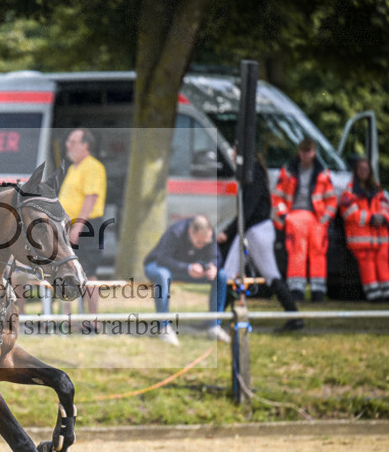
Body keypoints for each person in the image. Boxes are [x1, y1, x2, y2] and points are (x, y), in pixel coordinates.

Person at [218, 151, 304, 331]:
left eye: (236, 149)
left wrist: (229, 232)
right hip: (252, 231)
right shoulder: (251, 173)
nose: (232, 153)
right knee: (230, 273)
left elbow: (247, 209)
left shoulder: (253, 174)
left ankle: (294, 316)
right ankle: (215, 319)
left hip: (255, 231)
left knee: (269, 275)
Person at [143, 215, 230, 346]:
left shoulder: (210, 234)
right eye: (199, 242)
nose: (202, 246)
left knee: (221, 276)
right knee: (163, 275)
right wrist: (188, 268)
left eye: (205, 243)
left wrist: (213, 267)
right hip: (158, 265)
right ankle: (164, 328)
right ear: (190, 232)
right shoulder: (175, 232)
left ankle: (214, 326)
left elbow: (216, 257)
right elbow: (163, 259)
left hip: (189, 269)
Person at [272, 137, 338, 302]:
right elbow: (277, 196)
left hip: (316, 218)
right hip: (295, 216)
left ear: (314, 153)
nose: (305, 155)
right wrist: (285, 216)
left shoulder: (322, 173)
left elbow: (331, 200)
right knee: (296, 252)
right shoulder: (288, 171)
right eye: (303, 151)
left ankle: (318, 291)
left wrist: (325, 219)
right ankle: (296, 290)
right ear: (299, 152)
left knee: (318, 253)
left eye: (308, 151)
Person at [58, 128, 107, 318]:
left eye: (72, 142)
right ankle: (68, 318)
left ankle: (92, 320)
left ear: (84, 145)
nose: (67, 145)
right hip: (69, 225)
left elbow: (91, 197)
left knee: (88, 272)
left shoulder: (93, 166)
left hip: (87, 226)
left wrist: (78, 226)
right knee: (67, 271)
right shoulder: (73, 168)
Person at [339, 157, 389, 303]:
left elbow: (386, 206)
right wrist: (371, 218)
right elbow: (349, 212)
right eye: (360, 169)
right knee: (368, 265)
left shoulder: (377, 189)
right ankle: (374, 295)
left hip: (380, 237)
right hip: (362, 238)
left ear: (370, 171)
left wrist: (382, 217)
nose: (363, 172)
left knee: (383, 263)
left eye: (366, 169)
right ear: (355, 171)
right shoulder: (349, 191)